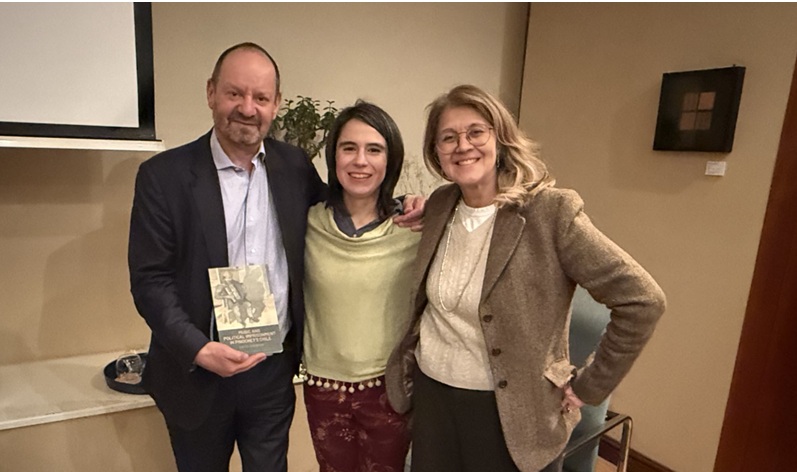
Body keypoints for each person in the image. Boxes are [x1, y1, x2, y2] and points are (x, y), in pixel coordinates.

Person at [128, 42, 423, 472]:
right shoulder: (164, 177)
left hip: (271, 371)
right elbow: (150, 281)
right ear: (211, 93)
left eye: (261, 98)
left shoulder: (292, 166)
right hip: (197, 372)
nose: (248, 108)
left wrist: (406, 206)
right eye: (235, 94)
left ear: (276, 105)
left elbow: (347, 209)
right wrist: (199, 349)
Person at [385, 84, 666, 472]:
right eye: (447, 138)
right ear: (436, 153)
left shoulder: (549, 213)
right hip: (434, 399)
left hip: (511, 414)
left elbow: (643, 300)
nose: (462, 145)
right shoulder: (440, 206)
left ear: (500, 138)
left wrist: (591, 385)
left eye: (476, 132)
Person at [301, 101, 420, 472]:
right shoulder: (308, 221)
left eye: (374, 150)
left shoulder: (415, 226)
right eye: (348, 148)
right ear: (334, 156)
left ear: (390, 160)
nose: (360, 161)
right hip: (322, 388)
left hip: (389, 390)